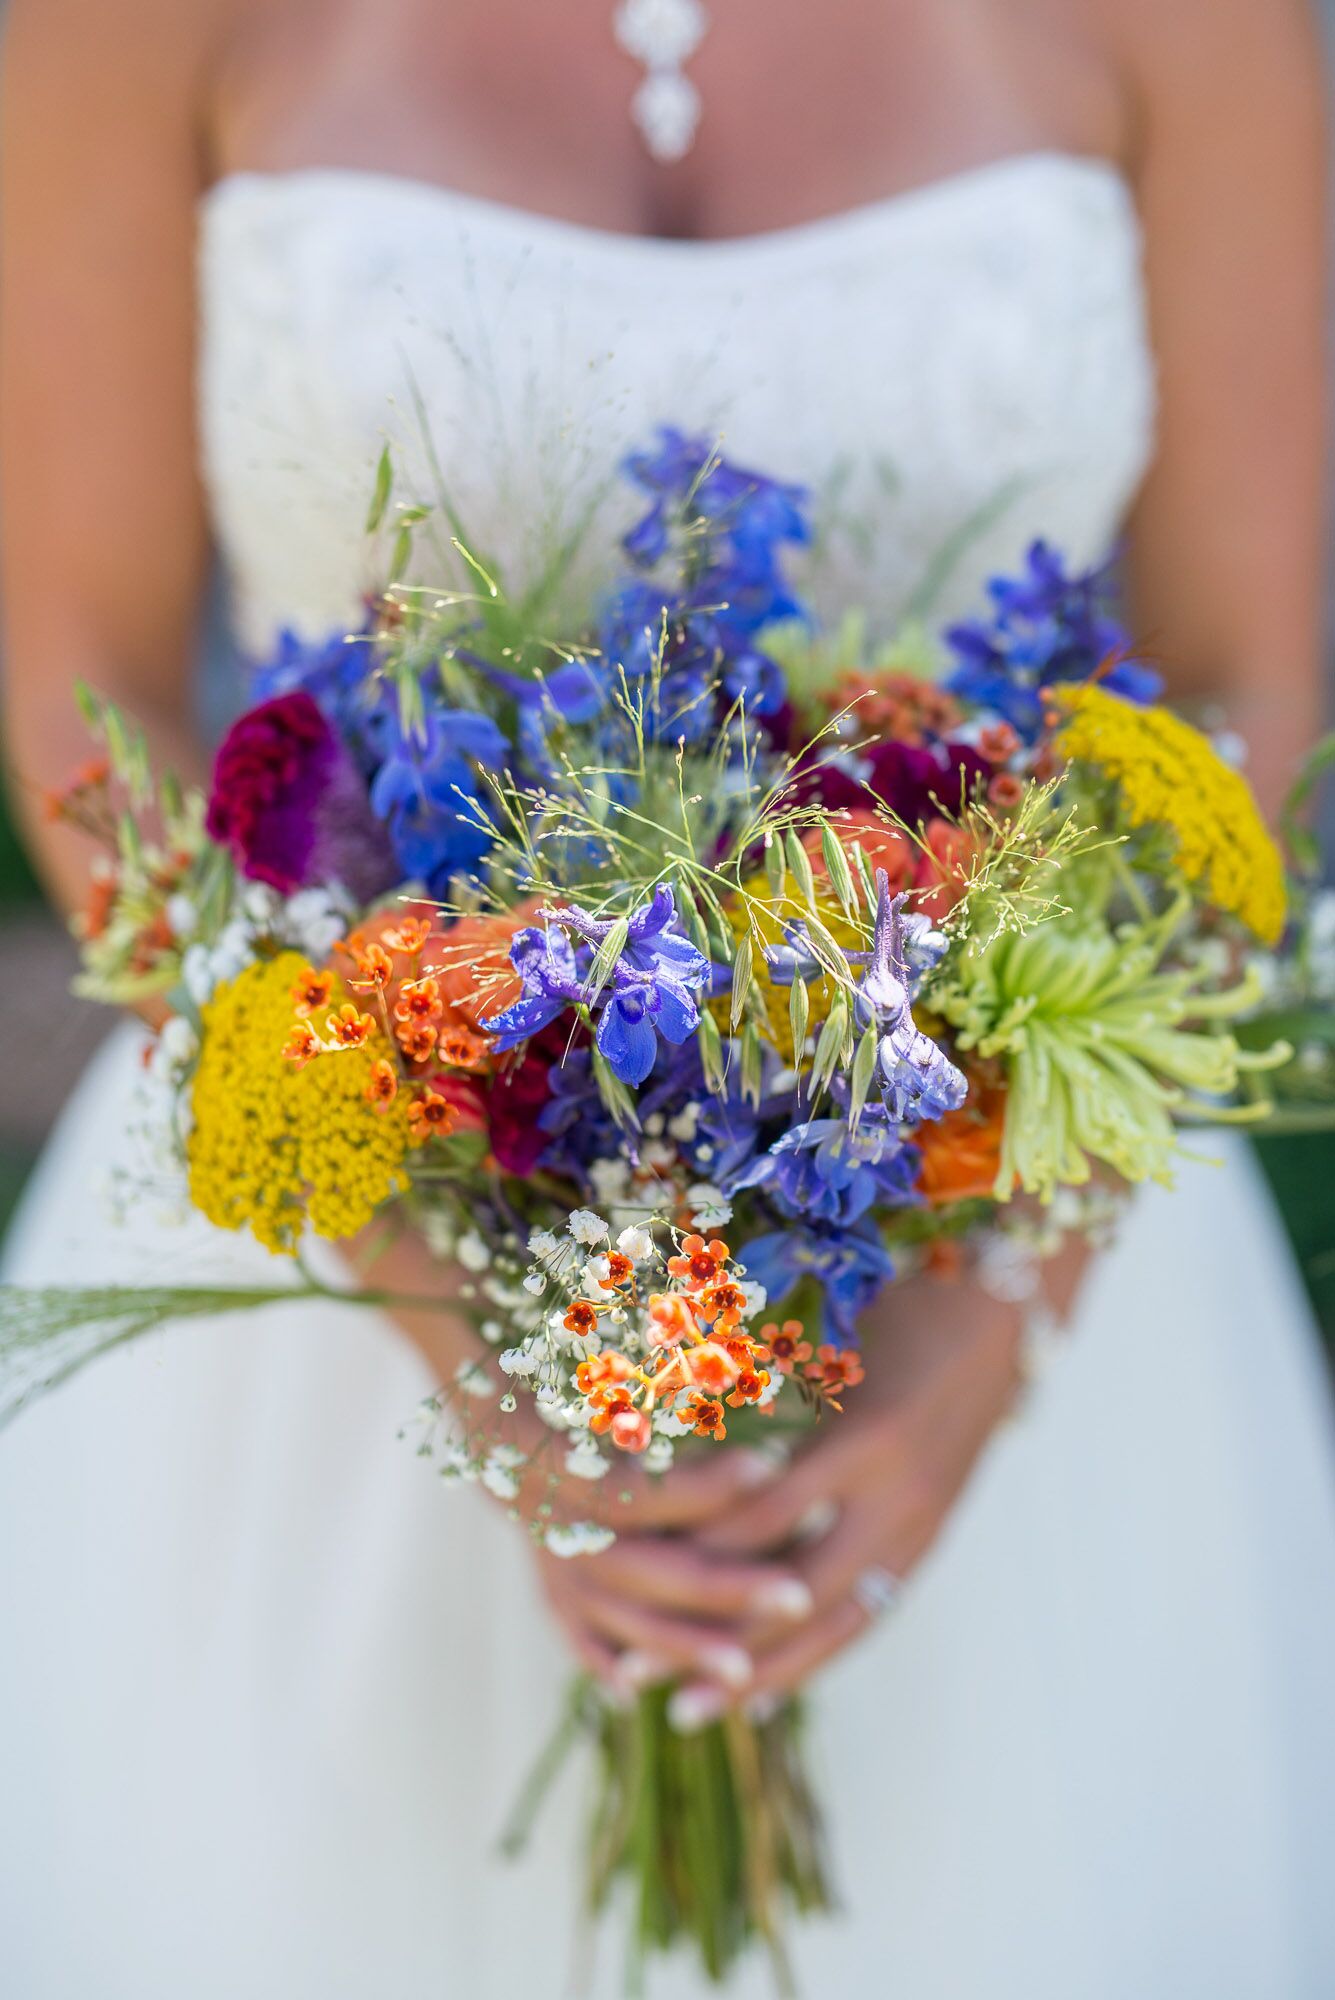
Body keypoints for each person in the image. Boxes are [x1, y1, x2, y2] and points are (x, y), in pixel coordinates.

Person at [3, 1, 1335, 1993]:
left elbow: (1241, 703)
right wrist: (460, 1313)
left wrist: (983, 1327)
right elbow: (81, 694)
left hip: (1005, 1262)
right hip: (326, 1271)